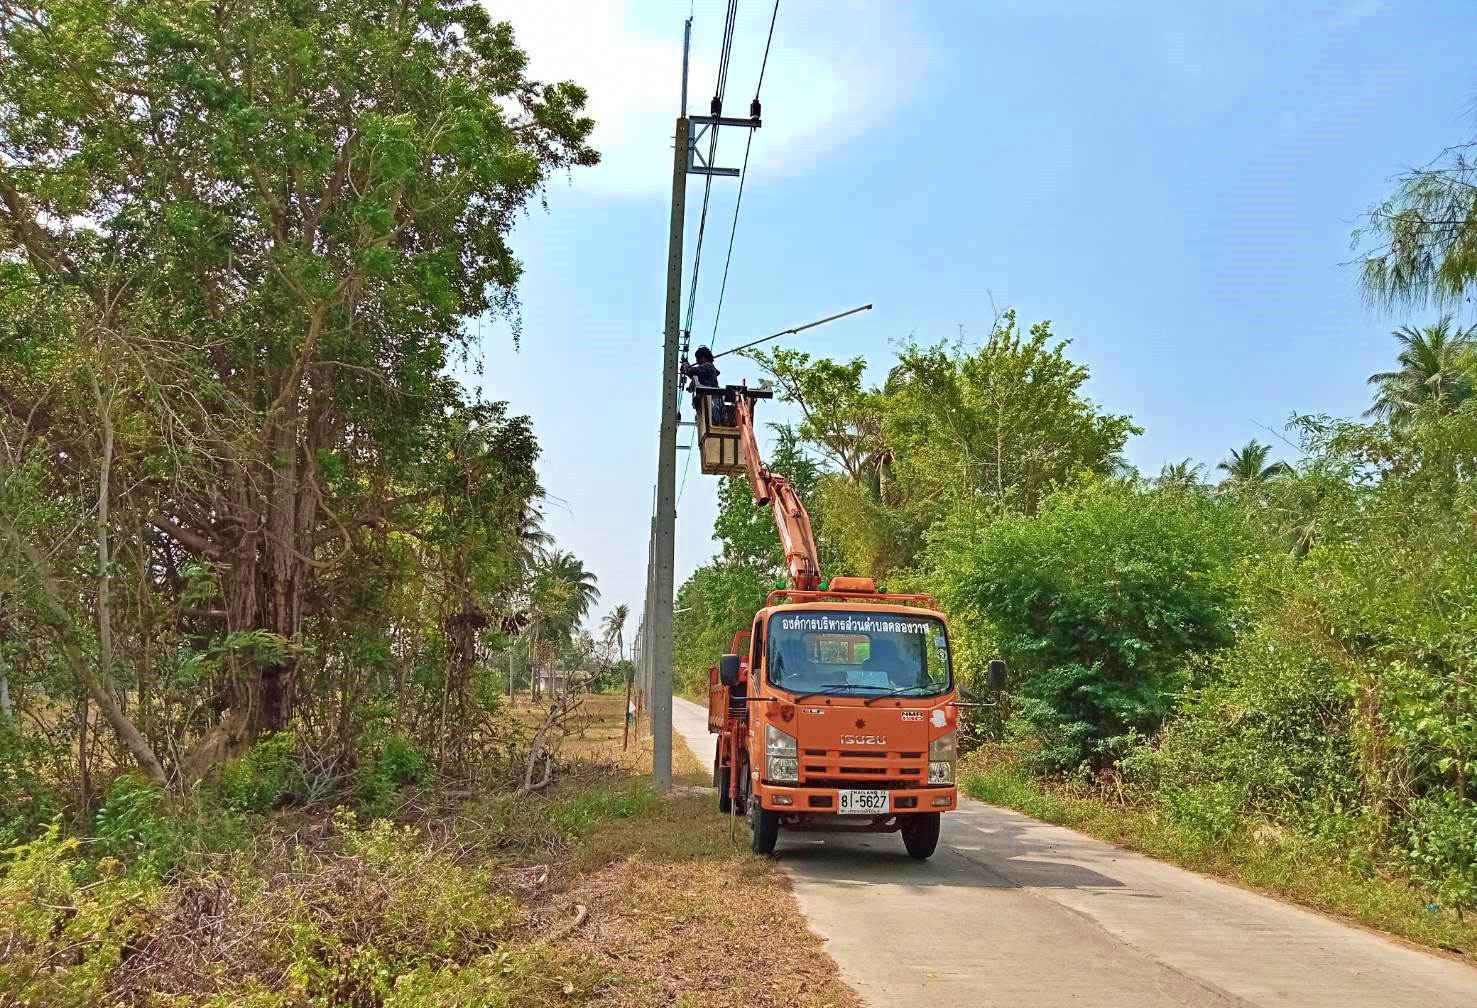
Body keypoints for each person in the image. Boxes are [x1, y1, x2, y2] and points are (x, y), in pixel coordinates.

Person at [680, 346, 727, 424]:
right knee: (712, 421)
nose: (697, 361)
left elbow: (691, 371)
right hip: (712, 400)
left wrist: (685, 364)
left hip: (712, 400)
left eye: (698, 358)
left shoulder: (708, 365)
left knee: (713, 422)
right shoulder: (708, 368)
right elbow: (693, 374)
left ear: (703, 358)